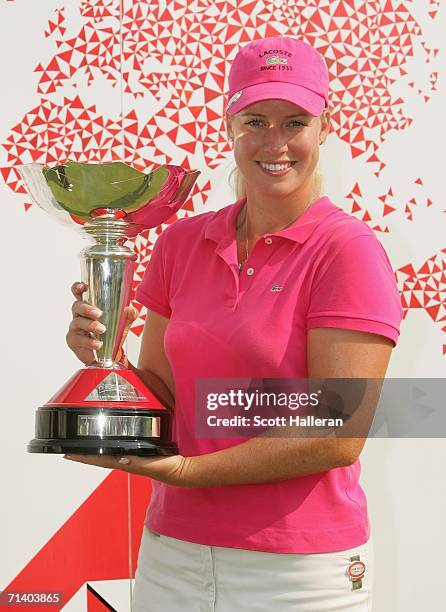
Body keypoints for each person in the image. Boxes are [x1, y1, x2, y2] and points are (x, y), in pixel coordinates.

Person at [65, 36, 403, 611]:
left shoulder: (346, 251)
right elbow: (165, 395)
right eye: (255, 120)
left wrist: (188, 471)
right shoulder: (181, 243)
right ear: (229, 125)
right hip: (173, 554)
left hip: (298, 573)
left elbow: (339, 433)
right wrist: (105, 366)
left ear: (325, 127)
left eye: (294, 121)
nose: (275, 143)